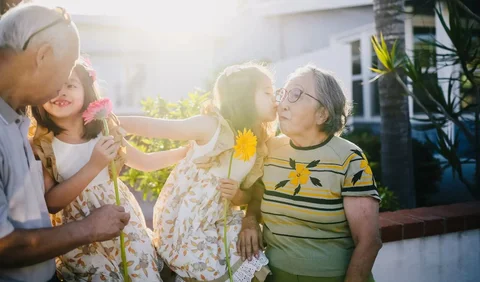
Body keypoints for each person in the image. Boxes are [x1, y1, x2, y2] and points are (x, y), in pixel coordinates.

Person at [0, 4, 130, 282]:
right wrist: (88, 229)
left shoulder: (15, 121)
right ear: (43, 56)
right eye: (66, 70)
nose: (62, 86)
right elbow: (3, 246)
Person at [31, 58, 189, 281]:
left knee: (142, 275)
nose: (61, 92)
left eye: (70, 85)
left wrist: (184, 153)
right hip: (81, 237)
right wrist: (94, 165)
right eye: (53, 86)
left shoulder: (105, 130)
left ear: (87, 91)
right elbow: (52, 203)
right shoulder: (43, 145)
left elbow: (145, 161)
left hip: (124, 223)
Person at [118, 63, 277, 282]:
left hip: (220, 218)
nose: (275, 99)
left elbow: (248, 195)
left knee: (251, 259)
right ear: (244, 97)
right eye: (267, 92)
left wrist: (237, 195)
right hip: (189, 224)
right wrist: (116, 121)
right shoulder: (213, 127)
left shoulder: (257, 143)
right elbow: (163, 128)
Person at [235, 65, 382, 282]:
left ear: (322, 113)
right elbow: (257, 197)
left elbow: (368, 241)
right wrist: (249, 221)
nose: (281, 104)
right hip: (273, 276)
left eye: (295, 94)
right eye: (283, 94)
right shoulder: (270, 149)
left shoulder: (349, 158)